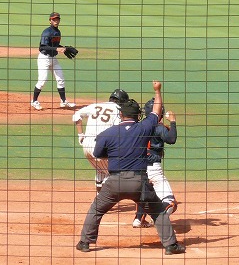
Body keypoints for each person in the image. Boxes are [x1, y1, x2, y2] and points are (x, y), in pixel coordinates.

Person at [75, 80, 186, 255]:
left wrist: (114, 155)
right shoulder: (143, 128)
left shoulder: (108, 133)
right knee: (158, 212)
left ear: (121, 116)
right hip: (139, 183)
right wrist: (157, 91)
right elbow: (156, 112)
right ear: (137, 116)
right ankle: (171, 246)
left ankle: (84, 242)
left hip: (114, 182)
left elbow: (97, 153)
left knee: (96, 210)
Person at [132, 98, 178, 228]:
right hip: (154, 169)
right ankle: (158, 218)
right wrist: (173, 122)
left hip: (137, 168)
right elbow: (171, 139)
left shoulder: (138, 127)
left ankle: (138, 219)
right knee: (170, 202)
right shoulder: (158, 127)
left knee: (145, 193)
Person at [72, 89, 129, 192]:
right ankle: (102, 200)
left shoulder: (95, 106)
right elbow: (118, 129)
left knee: (100, 170)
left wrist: (80, 134)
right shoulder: (118, 110)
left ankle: (99, 199)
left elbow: (77, 115)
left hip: (86, 145)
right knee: (115, 171)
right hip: (101, 146)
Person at [31, 12, 76, 110]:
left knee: (60, 79)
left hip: (53, 58)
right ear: (50, 20)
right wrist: (57, 49)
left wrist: (63, 48)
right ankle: (34, 101)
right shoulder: (47, 32)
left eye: (57, 19)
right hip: (44, 58)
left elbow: (54, 45)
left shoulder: (58, 32)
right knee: (42, 80)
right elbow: (42, 46)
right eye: (54, 19)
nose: (56, 21)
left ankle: (63, 101)